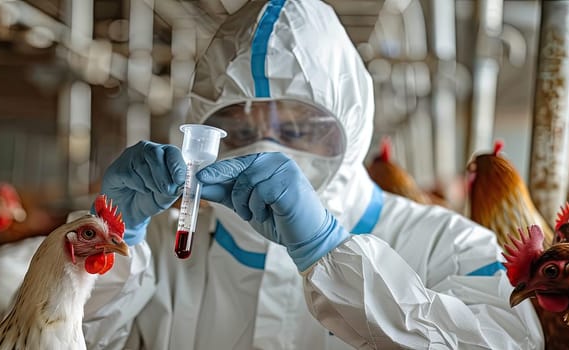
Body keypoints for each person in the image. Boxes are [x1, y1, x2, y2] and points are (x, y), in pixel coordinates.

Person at [80, 0, 544, 348]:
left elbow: (511, 341)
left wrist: (329, 250)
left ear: (352, 123)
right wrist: (107, 253)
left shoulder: (450, 246)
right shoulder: (163, 245)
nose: (265, 148)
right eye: (238, 129)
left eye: (300, 128)